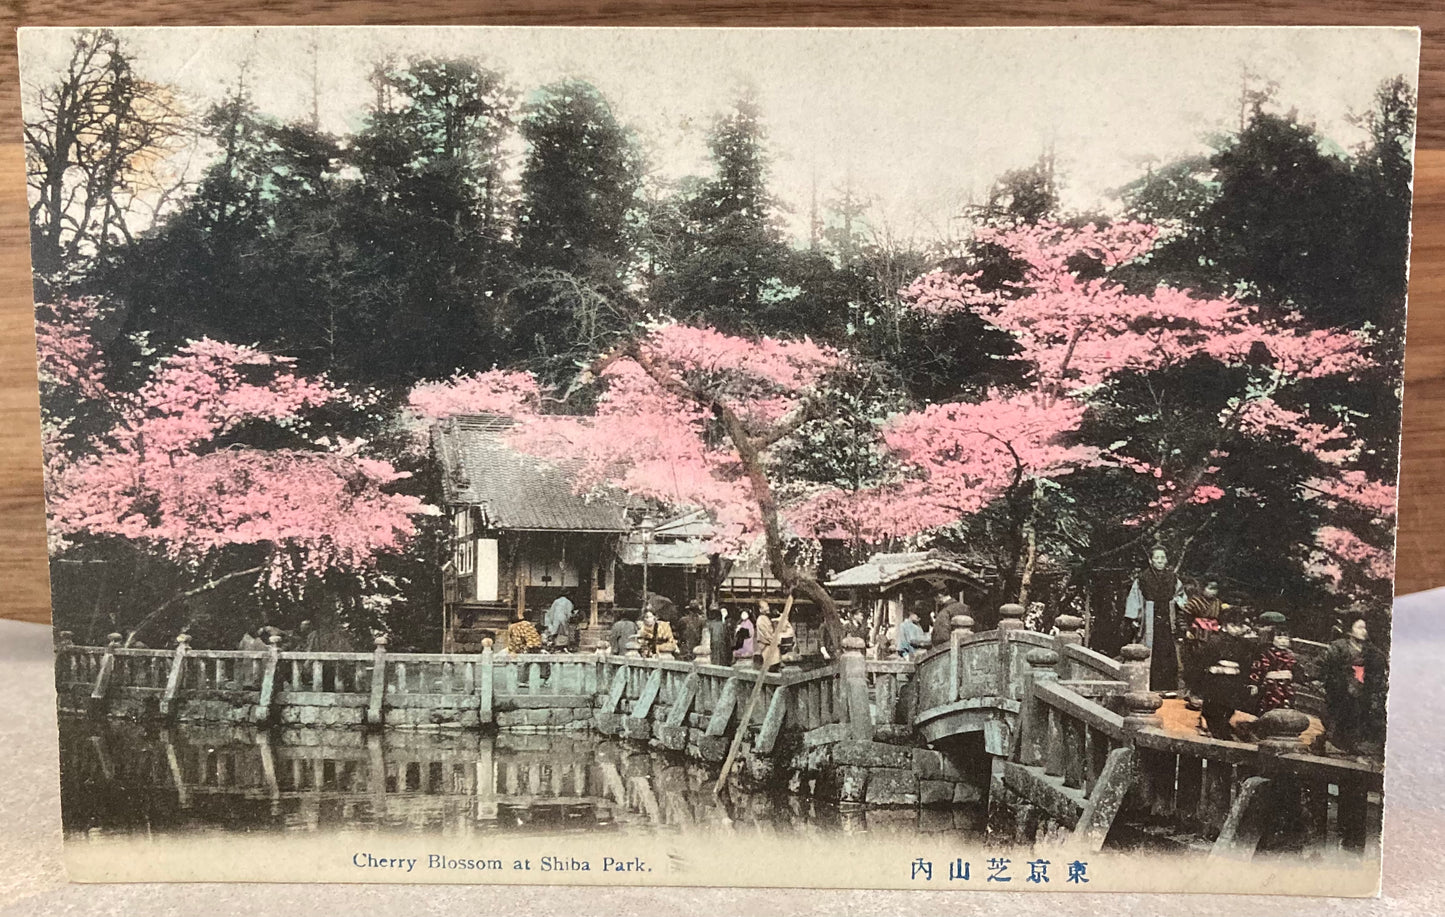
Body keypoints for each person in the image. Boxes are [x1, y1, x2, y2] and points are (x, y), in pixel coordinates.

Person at [1124, 546, 1188, 693]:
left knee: (1169, 653)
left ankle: (1169, 688)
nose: (1160, 561)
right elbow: (1135, 598)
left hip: (1167, 619)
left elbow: (1181, 596)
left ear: (1166, 560)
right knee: (1150, 653)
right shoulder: (1143, 579)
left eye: (1163, 558)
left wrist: (1179, 604)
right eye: (1157, 558)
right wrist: (1134, 617)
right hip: (1149, 621)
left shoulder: (1173, 578)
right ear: (1150, 560)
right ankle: (1149, 687)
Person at [1321, 614, 1388, 756]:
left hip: (1363, 687)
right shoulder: (1339, 646)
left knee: (1359, 714)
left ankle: (1352, 743)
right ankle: (1331, 740)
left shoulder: (1372, 652)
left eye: (1365, 628)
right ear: (1350, 631)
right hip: (1341, 687)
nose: (1364, 631)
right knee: (1341, 709)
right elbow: (1328, 667)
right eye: (1359, 627)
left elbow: (1376, 672)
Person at [1196, 611, 1257, 740]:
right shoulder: (1215, 640)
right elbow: (1203, 661)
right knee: (1214, 706)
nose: (1238, 629)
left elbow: (1245, 663)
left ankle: (1222, 727)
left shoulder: (1243, 644)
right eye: (1235, 626)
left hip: (1233, 679)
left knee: (1228, 707)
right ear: (1227, 625)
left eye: (1240, 626)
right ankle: (1215, 728)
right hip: (1216, 678)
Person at [1181, 579, 1225, 708]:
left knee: (1210, 662)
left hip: (1213, 635)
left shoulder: (1218, 603)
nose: (1212, 592)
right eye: (1209, 588)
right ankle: (1191, 691)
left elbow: (1221, 618)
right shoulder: (1194, 602)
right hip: (1197, 635)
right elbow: (1183, 617)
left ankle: (1205, 692)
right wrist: (1186, 630)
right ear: (1203, 589)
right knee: (1195, 663)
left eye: (1215, 589)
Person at [1249, 611, 1297, 715]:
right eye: (1279, 638)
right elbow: (1257, 669)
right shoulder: (1265, 652)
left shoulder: (1290, 655)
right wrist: (1254, 684)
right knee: (1268, 706)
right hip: (1269, 686)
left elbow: (1295, 670)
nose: (1283, 641)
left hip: (1286, 685)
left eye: (1286, 638)